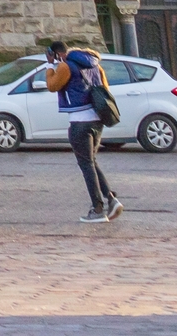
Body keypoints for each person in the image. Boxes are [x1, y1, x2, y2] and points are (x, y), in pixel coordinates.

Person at [46, 37, 121, 221]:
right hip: (97, 119)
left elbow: (52, 86)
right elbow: (105, 88)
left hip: (80, 122)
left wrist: (48, 67)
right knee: (91, 161)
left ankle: (97, 209)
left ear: (57, 54)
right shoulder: (94, 65)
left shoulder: (65, 66)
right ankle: (111, 200)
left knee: (86, 164)